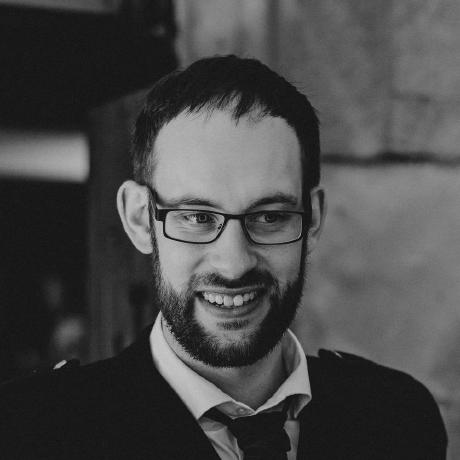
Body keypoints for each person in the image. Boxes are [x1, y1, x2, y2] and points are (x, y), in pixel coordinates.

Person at [0, 55, 447, 459]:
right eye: (197, 216)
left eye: (270, 217)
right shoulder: (32, 432)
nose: (234, 265)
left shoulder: (399, 418)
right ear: (139, 219)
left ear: (312, 220)